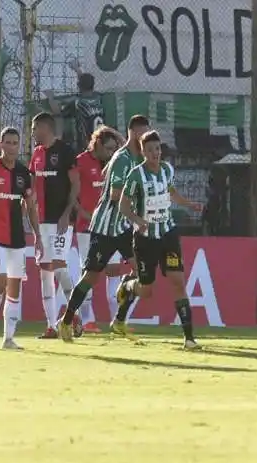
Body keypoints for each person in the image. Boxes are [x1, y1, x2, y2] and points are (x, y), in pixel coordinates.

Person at [104, 130, 202, 349]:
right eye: (149, 150)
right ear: (143, 152)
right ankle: (129, 286)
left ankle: (189, 338)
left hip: (168, 234)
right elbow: (123, 205)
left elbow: (171, 192)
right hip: (145, 239)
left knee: (178, 281)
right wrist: (137, 220)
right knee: (146, 290)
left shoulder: (167, 170)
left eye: (157, 149)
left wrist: (189, 204)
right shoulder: (135, 175)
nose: (155, 153)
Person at [59, 115, 150, 340]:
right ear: (134, 133)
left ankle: (119, 319)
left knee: (143, 273)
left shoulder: (138, 159)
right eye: (143, 133)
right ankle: (67, 320)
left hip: (123, 226)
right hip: (105, 227)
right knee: (90, 277)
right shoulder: (121, 159)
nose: (146, 138)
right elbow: (116, 195)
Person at [0, 127, 43, 350]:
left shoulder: (23, 174)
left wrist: (38, 235)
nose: (12, 147)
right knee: (0, 282)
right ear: (0, 144)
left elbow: (30, 207)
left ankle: (8, 339)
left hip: (17, 239)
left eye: (15, 143)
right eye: (8, 142)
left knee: (14, 288)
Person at [29, 112, 80, 339]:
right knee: (45, 272)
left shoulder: (65, 151)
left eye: (34, 128)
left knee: (59, 265)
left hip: (61, 221)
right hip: (42, 221)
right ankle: (51, 326)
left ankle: (74, 315)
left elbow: (76, 185)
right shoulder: (37, 154)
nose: (32, 132)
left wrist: (67, 213)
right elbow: (32, 187)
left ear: (45, 128)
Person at [72, 125, 122, 333]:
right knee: (89, 272)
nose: (111, 153)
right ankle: (87, 319)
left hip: (111, 227)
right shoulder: (80, 161)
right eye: (108, 148)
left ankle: (118, 320)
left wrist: (113, 133)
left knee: (114, 270)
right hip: (87, 228)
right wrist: (84, 214)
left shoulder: (114, 162)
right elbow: (72, 195)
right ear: (97, 144)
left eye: (113, 149)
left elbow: (127, 147)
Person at [47, 65, 105, 153]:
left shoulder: (78, 103)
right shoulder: (98, 97)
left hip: (86, 146)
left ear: (78, 86)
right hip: (102, 143)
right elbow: (85, 84)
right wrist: (77, 70)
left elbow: (57, 112)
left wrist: (50, 97)